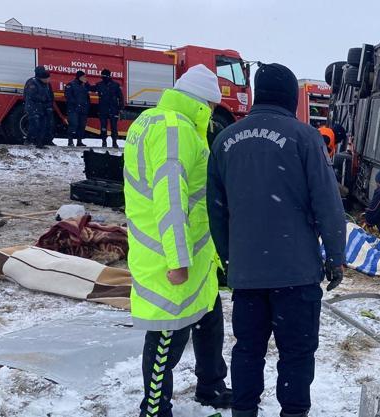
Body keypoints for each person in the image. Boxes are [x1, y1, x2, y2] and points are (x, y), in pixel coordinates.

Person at [207, 63, 346, 417]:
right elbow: (328, 205)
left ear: (256, 93)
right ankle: (294, 413)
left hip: (248, 273)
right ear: (289, 96)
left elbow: (216, 210)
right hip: (295, 273)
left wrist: (229, 258)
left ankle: (244, 411)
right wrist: (335, 257)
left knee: (248, 349)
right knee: (296, 353)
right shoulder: (305, 138)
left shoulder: (225, 141)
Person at [123, 64, 230, 417]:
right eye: (213, 107)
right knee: (168, 333)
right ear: (203, 103)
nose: (213, 114)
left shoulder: (155, 121)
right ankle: (154, 408)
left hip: (197, 254)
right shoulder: (174, 130)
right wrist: (178, 260)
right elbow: (170, 199)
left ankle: (211, 386)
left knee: (210, 319)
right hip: (170, 255)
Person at [23, 65, 54, 149]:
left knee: (43, 126)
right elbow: (30, 95)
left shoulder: (46, 84)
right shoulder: (32, 82)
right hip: (33, 108)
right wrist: (43, 99)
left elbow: (50, 95)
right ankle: (29, 140)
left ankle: (39, 143)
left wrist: (49, 105)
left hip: (42, 108)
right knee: (35, 125)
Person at [96, 68, 124, 148]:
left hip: (111, 109)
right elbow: (121, 97)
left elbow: (121, 97)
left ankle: (113, 142)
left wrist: (121, 109)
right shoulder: (100, 85)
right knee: (105, 127)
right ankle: (105, 142)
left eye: (104, 75)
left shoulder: (115, 85)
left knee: (113, 127)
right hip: (106, 109)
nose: (103, 77)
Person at [64, 70, 93, 147]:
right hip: (73, 109)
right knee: (73, 124)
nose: (85, 78)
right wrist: (76, 104)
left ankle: (79, 141)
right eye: (84, 76)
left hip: (83, 109)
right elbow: (68, 96)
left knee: (82, 125)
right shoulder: (71, 85)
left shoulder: (85, 85)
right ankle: (70, 141)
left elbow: (90, 91)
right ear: (79, 77)